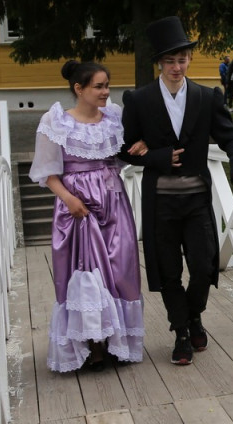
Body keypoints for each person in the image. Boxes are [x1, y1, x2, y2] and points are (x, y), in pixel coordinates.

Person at [122, 17, 233, 365]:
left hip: (196, 199)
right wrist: (159, 156)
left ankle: (193, 315)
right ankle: (181, 331)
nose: (176, 67)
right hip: (160, 202)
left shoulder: (207, 97)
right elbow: (126, 149)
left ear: (189, 60)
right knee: (168, 271)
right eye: (169, 61)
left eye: (182, 60)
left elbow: (230, 136)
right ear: (159, 63)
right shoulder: (138, 100)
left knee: (203, 264)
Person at [30, 60, 147, 372]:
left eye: (107, 85)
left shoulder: (115, 117)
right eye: (98, 86)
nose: (106, 92)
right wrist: (70, 199)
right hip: (78, 208)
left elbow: (129, 149)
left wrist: (144, 145)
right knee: (86, 275)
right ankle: (93, 347)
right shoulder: (56, 122)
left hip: (114, 201)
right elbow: (47, 173)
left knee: (120, 272)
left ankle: (117, 342)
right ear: (78, 89)